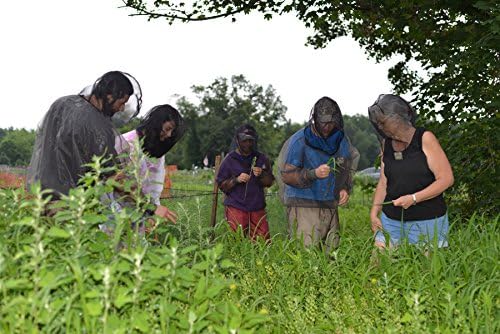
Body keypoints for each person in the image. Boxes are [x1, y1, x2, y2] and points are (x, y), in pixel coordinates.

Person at [28, 71, 142, 199]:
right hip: (72, 203)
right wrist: (149, 206)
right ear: (109, 96)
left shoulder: (62, 103)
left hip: (41, 195)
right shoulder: (97, 125)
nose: (121, 108)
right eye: (121, 102)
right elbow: (113, 176)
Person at [368, 94, 454, 249]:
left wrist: (414, 198)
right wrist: (374, 211)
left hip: (427, 220)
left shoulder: (425, 138)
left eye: (383, 122)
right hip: (391, 219)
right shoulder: (386, 144)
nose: (380, 127)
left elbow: (446, 179)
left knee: (425, 272)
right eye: (378, 123)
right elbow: (383, 182)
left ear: (397, 118)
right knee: (378, 266)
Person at [277, 97, 358, 252]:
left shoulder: (340, 140)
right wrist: (313, 174)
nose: (327, 127)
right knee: (306, 255)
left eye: (330, 122)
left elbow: (345, 166)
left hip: (329, 204)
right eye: (323, 122)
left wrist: (344, 188)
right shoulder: (300, 140)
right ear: (314, 120)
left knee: (331, 253)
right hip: (304, 205)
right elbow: (287, 175)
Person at [111, 104, 185, 225]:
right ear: (157, 123)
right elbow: (119, 183)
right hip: (117, 215)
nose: (169, 135)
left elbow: (155, 186)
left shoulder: (157, 152)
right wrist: (151, 209)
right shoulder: (126, 144)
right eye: (167, 129)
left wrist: (153, 211)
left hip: (141, 214)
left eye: (172, 132)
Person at [216, 124, 274, 241]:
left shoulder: (261, 158)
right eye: (244, 141)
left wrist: (262, 174)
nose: (247, 144)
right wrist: (236, 180)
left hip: (257, 207)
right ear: (238, 141)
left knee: (263, 242)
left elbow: (270, 181)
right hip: (236, 207)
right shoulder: (229, 159)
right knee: (236, 241)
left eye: (250, 141)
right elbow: (221, 184)